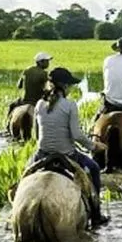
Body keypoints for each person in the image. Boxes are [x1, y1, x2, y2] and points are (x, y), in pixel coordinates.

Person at [33, 66, 108, 226]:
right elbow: (76, 135)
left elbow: (37, 134)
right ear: (65, 86)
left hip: (42, 154)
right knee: (94, 168)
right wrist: (93, 147)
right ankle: (96, 214)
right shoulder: (70, 105)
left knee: (23, 177)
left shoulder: (39, 104)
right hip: (67, 155)